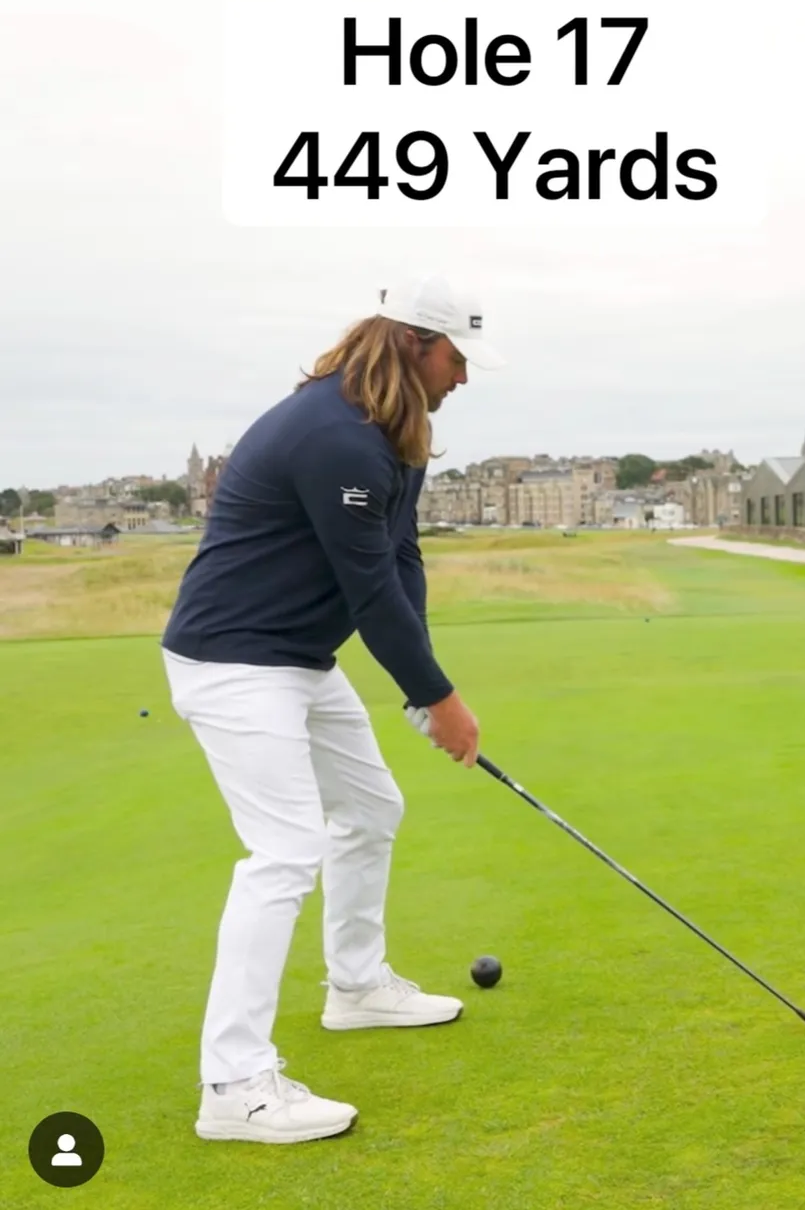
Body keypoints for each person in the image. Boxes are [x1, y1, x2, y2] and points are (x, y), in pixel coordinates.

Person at [161, 276, 505, 1144]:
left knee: (371, 807)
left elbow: (401, 560)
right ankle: (232, 1084)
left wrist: (424, 684)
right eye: (457, 358)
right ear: (415, 344)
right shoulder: (333, 434)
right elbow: (368, 588)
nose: (465, 376)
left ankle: (355, 986)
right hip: (233, 661)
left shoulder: (396, 432)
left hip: (297, 659)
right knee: (283, 851)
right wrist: (439, 699)